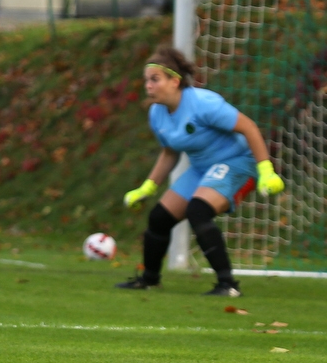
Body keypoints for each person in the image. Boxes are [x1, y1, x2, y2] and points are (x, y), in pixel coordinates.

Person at [117, 46, 285, 296]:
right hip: (202, 168)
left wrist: (266, 170)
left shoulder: (203, 103)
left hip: (236, 161)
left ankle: (227, 285)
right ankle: (149, 279)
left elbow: (249, 127)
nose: (148, 86)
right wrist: (148, 186)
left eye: (155, 79)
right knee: (159, 218)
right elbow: (169, 152)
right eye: (146, 80)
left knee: (198, 211)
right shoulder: (157, 113)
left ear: (174, 81)